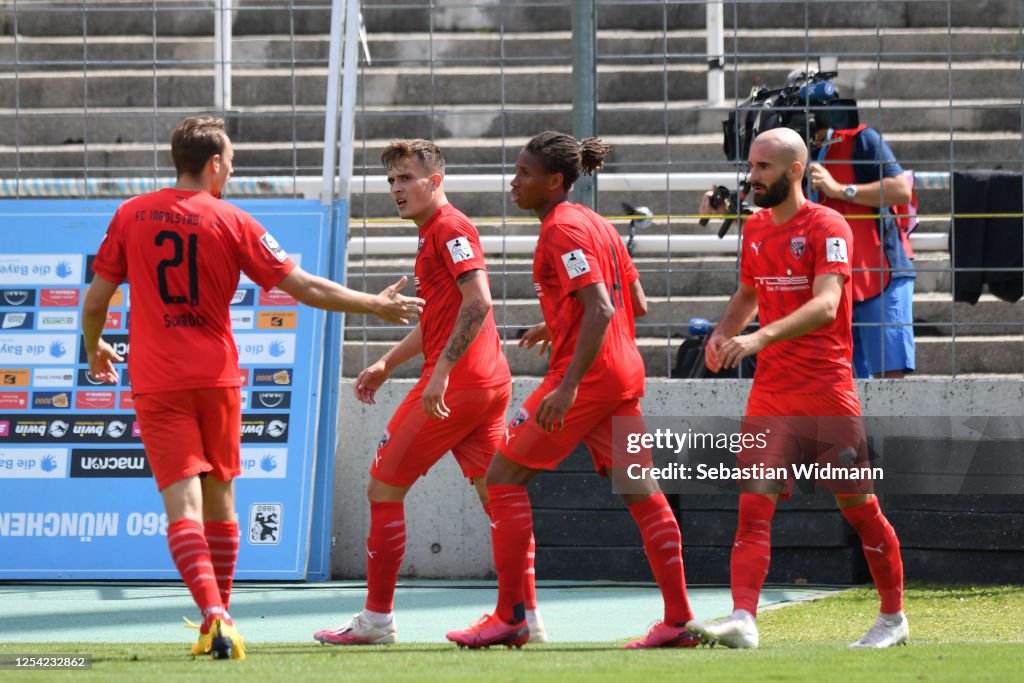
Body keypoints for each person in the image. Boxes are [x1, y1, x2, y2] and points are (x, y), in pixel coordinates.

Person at [81, 116, 424, 661]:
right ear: (214, 164)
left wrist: (93, 344)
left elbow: (95, 302)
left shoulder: (130, 215)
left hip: (158, 380)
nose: (233, 171)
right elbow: (305, 286)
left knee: (183, 508)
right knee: (221, 501)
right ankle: (221, 619)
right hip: (216, 377)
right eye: (231, 162)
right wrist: (374, 304)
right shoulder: (233, 219)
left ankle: (212, 617)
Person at [445, 131, 698, 650]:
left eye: (524, 174)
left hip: (587, 380)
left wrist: (570, 385)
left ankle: (511, 617)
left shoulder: (561, 231)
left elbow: (602, 309)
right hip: (622, 377)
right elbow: (637, 303)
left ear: (554, 181)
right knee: (642, 495)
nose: (514, 182)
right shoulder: (598, 224)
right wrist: (557, 320)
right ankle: (678, 621)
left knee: (501, 480)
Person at [312, 139, 546, 646]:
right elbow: (442, 317)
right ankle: (524, 615)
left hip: (458, 385)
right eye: (392, 180)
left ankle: (376, 621)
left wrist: (439, 374)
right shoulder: (432, 234)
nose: (397, 189)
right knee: (499, 496)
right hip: (485, 382)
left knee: (382, 487)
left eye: (407, 179)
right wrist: (385, 363)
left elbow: (479, 302)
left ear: (435, 181)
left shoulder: (450, 228)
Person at [686, 128, 908, 649]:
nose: (752, 176)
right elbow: (748, 291)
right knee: (753, 507)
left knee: (859, 508)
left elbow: (828, 304)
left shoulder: (829, 225)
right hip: (770, 392)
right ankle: (744, 617)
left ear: (794, 171)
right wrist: (722, 333)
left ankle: (894, 618)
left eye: (763, 167)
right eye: (751, 165)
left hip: (826, 389)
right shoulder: (757, 228)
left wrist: (757, 336)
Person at [806, 95, 915, 378]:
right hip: (831, 282)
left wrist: (841, 190)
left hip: (881, 273)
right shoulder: (791, 151)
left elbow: (900, 190)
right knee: (844, 382)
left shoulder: (862, 138)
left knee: (889, 381)